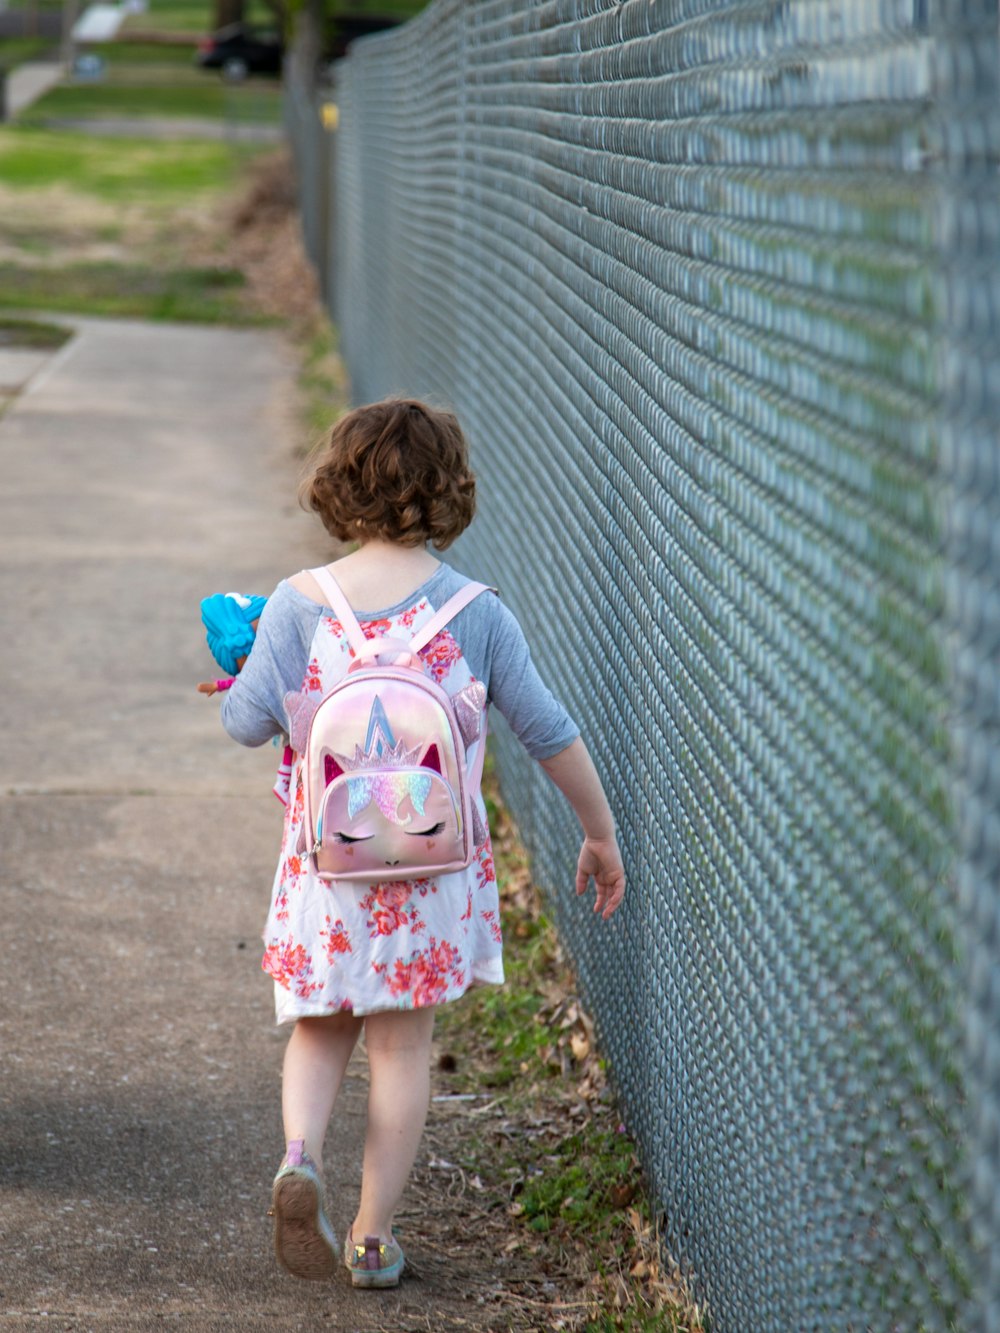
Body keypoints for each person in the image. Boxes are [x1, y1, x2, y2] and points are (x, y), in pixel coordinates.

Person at [218, 398, 626, 1289]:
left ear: (337, 487)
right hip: (430, 880)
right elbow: (548, 729)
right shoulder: (478, 613)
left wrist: (241, 674)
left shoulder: (299, 603)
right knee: (402, 1049)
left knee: (320, 1030)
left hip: (329, 875)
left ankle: (300, 1158)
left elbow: (247, 723)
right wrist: (599, 832)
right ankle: (371, 1238)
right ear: (450, 493)